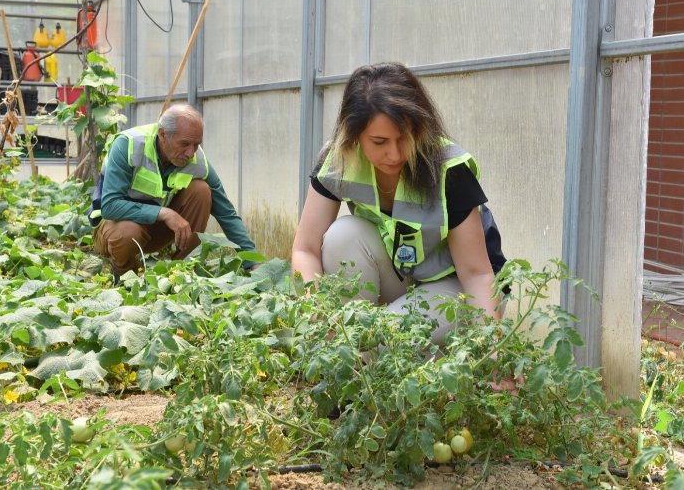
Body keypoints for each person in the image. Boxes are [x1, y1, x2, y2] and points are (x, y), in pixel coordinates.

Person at [292, 62, 506, 343]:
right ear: (354, 135)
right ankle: (361, 352)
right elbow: (305, 250)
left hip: (455, 287)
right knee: (343, 236)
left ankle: (382, 347)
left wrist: (493, 349)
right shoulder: (339, 161)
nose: (394, 154)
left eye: (404, 138)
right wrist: (317, 312)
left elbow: (477, 274)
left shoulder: (449, 169)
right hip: (403, 276)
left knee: (385, 337)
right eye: (379, 142)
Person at [90, 103, 257, 281]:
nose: (191, 152)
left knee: (201, 191)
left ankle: (181, 275)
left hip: (154, 232)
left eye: (196, 144)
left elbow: (227, 213)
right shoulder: (128, 145)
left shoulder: (196, 160)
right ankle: (126, 279)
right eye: (184, 144)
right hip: (113, 230)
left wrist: (253, 261)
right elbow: (110, 206)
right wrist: (164, 213)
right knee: (127, 231)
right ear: (163, 135)